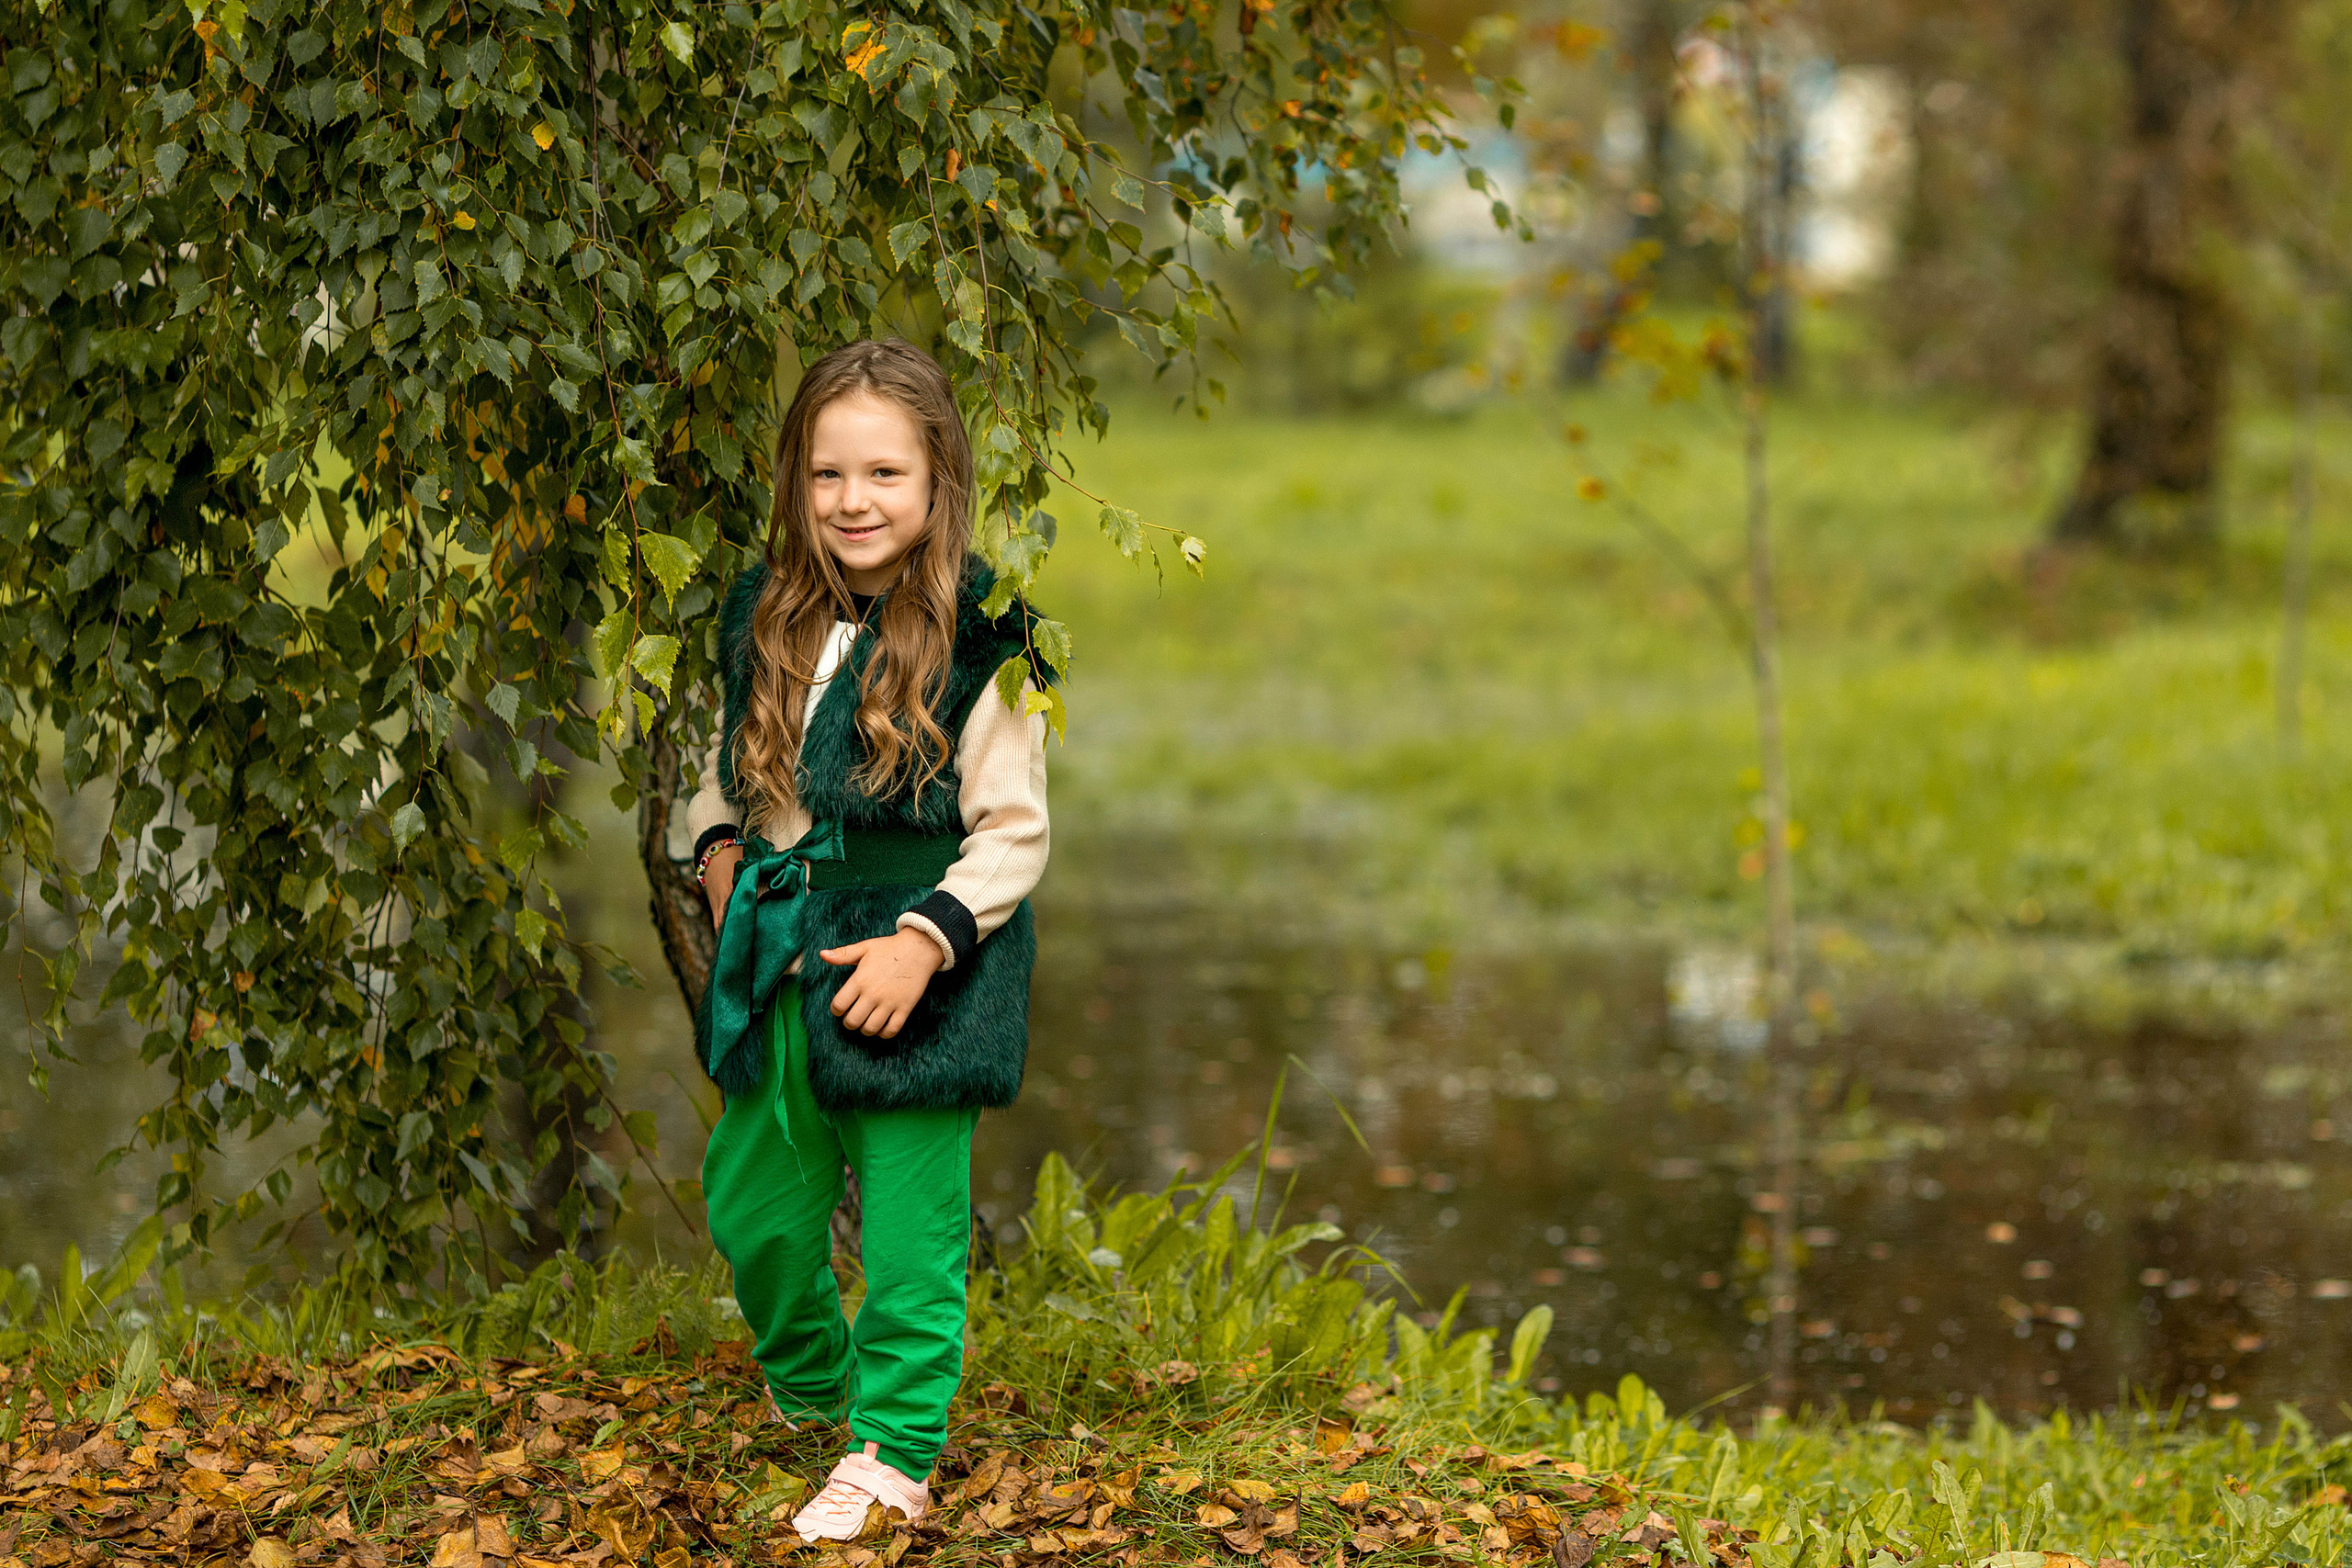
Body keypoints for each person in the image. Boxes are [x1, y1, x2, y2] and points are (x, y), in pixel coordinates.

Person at [684, 338, 1049, 1543]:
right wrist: (721, 849)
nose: (855, 501)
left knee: (906, 1233)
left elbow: (1013, 834)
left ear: (939, 481)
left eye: (886, 474)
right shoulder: (764, 611)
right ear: (796, 482)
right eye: (829, 475)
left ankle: (893, 1449)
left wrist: (923, 942)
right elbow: (723, 770)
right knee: (757, 1207)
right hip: (780, 956)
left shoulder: (991, 634)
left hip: (917, 971)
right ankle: (815, 1387)